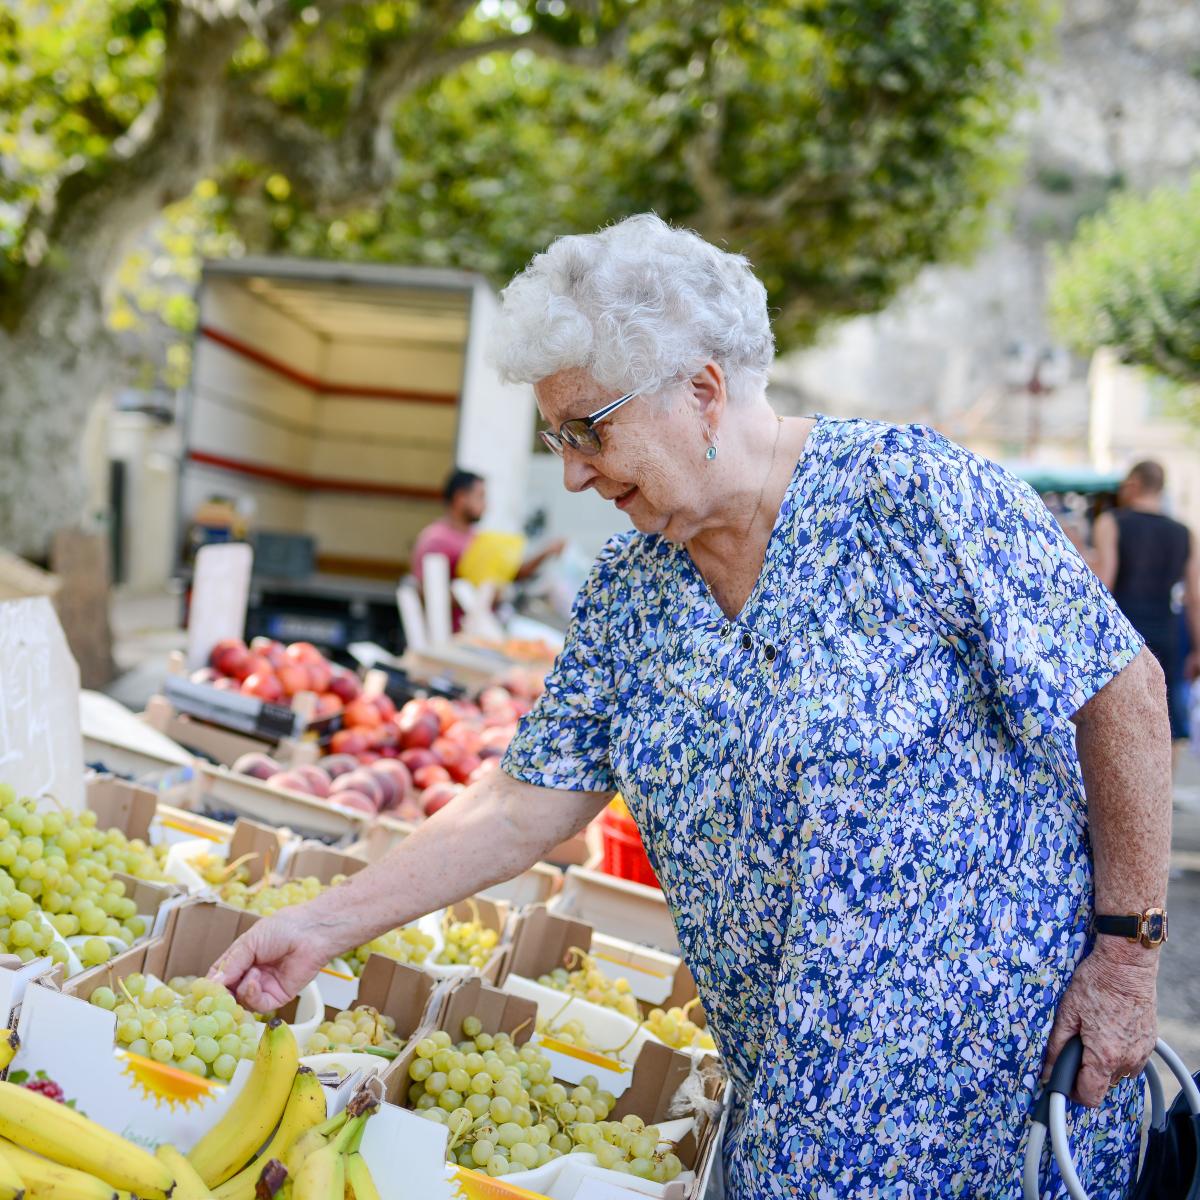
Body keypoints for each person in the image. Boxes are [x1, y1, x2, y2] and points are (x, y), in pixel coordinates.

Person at [213, 215, 1173, 1199]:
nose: (575, 471)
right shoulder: (633, 591)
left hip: (995, 1092)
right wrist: (324, 926)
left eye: (589, 429)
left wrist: (1127, 957)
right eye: (556, 438)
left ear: (702, 391)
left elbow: (1123, 686)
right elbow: (519, 807)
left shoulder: (910, 492)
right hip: (792, 1108)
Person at [1092, 460, 1200, 745]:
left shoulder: (1112, 521)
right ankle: (1166, 788)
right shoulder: (1184, 532)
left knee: (1120, 715)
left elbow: (1104, 581)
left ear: (1134, 485)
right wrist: (1198, 648)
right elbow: (1195, 597)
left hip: (1125, 631)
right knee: (1170, 717)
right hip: (1168, 632)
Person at [411, 468, 565, 627]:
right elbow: (425, 593)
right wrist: (483, 596)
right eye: (480, 496)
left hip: (481, 631)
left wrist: (546, 552)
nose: (486, 505)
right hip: (453, 637)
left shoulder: (475, 537)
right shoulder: (436, 540)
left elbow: (511, 573)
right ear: (460, 498)